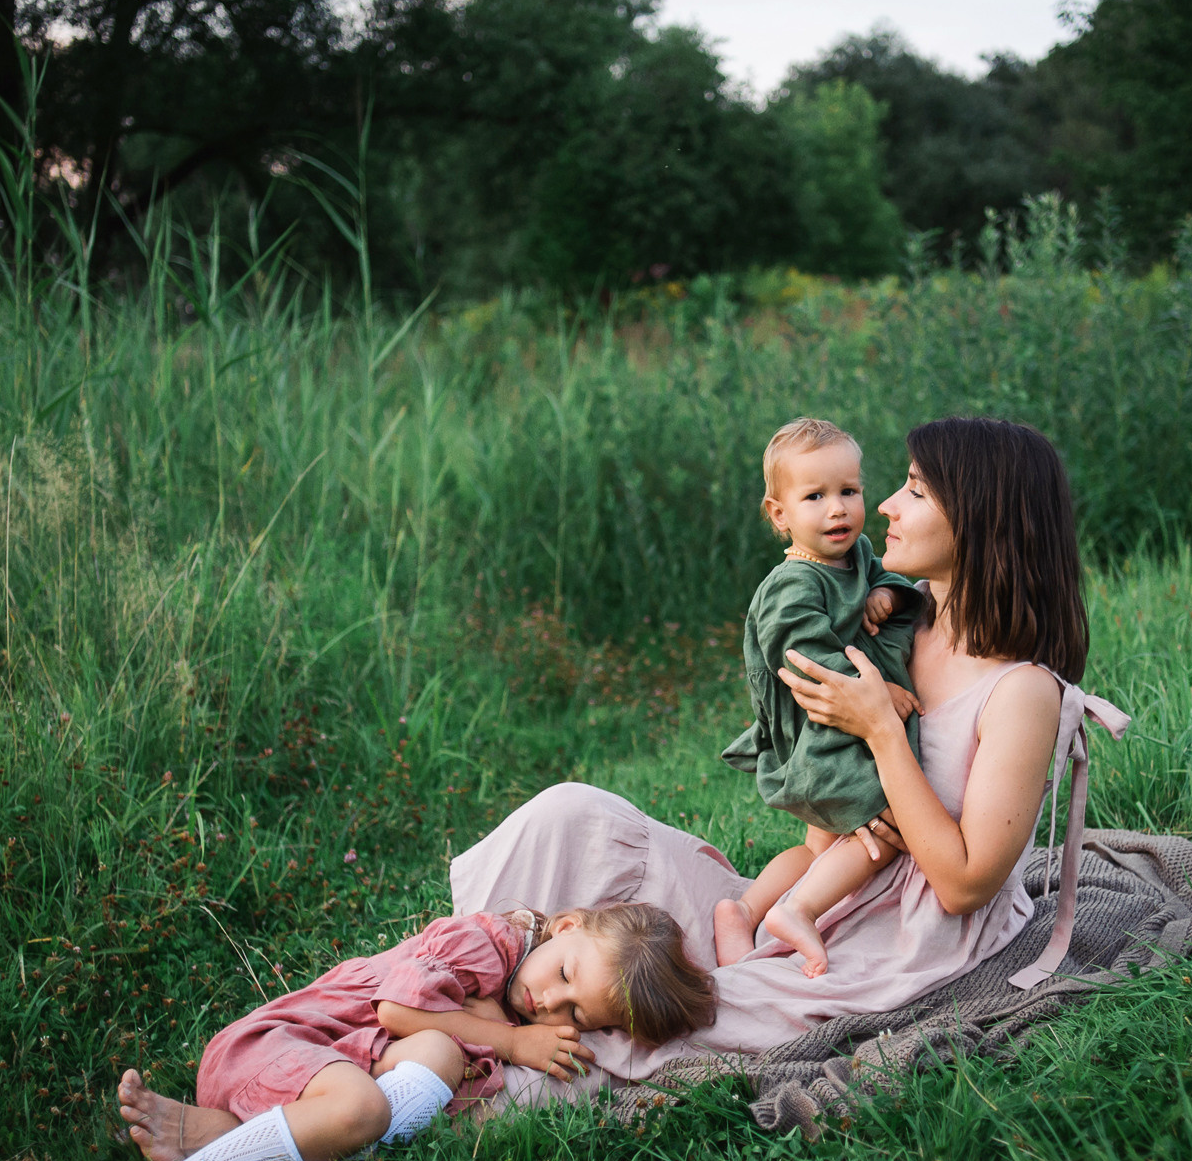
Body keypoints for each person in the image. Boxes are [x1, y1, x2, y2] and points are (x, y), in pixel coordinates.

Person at [451, 417, 1129, 1104]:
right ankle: (472, 972)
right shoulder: (893, 616)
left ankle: (476, 1054)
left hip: (904, 941)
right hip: (827, 890)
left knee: (670, 1012)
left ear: (982, 517)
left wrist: (883, 735)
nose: (886, 504)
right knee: (573, 814)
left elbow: (963, 884)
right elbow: (820, 792)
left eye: (916, 491)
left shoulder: (1021, 690)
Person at [98, 903, 714, 1161]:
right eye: (565, 975)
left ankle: (244, 1141)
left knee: (438, 1060)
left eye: (578, 1011)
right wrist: (510, 1042)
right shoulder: (486, 944)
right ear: (567, 926)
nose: (551, 1003)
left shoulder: (492, 1023)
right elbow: (395, 1010)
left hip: (323, 1073)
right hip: (279, 1043)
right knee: (366, 1106)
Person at [714, 417, 925, 975]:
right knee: (886, 824)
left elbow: (894, 582)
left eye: (848, 491)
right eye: (815, 497)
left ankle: (743, 909)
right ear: (779, 515)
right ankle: (798, 910)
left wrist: (887, 592)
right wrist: (877, 696)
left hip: (842, 727)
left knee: (819, 851)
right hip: (826, 732)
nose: (838, 509)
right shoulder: (793, 585)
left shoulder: (855, 557)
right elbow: (804, 661)